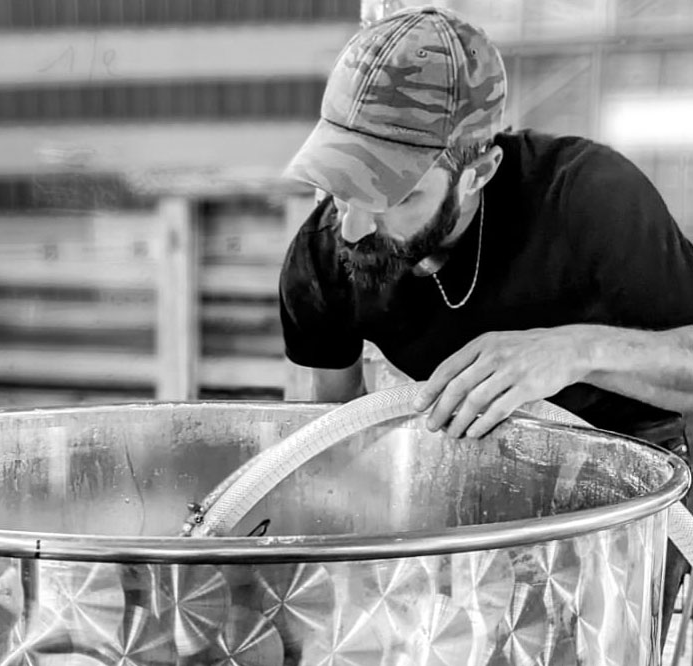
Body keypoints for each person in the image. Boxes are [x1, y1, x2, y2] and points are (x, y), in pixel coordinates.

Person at [278, 4, 693, 646]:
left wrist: (577, 350)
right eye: (342, 184)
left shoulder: (589, 200)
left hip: (628, 484)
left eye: (392, 194)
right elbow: (316, 444)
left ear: (478, 173)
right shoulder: (328, 251)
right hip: (462, 474)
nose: (355, 224)